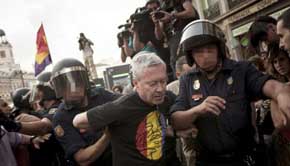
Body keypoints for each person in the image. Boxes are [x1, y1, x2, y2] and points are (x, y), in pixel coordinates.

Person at [170, 19, 290, 166]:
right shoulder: (187, 81)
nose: (205, 56)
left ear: (219, 49)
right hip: (209, 161)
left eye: (210, 49)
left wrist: (281, 92)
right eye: (199, 51)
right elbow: (176, 120)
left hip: (245, 158)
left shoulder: (241, 70)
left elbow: (268, 85)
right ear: (191, 55)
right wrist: (197, 110)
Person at [73, 52, 181, 166]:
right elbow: (77, 121)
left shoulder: (167, 98)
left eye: (163, 81)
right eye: (153, 84)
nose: (160, 89)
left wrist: (169, 130)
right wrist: (107, 127)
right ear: (136, 83)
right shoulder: (121, 107)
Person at [51, 58, 119, 166]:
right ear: (60, 89)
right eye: (67, 85)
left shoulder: (101, 95)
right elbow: (82, 159)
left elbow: (126, 103)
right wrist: (108, 134)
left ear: (84, 82)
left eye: (76, 82)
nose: (73, 88)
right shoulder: (61, 117)